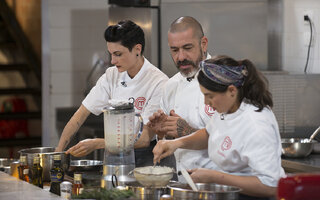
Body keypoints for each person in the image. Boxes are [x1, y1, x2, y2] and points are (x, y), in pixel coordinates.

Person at [153, 55, 285, 198]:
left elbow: (271, 186)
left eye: (210, 96)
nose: (206, 102)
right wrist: (176, 143)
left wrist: (214, 177)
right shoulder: (228, 108)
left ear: (232, 91)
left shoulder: (256, 124)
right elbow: (210, 133)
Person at [55, 20, 169, 166]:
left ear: (137, 49)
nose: (113, 61)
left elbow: (144, 139)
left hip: (144, 159)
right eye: (111, 54)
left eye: (118, 54)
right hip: (112, 157)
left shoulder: (158, 82)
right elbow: (81, 114)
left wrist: (98, 143)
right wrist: (58, 153)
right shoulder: (111, 75)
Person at [147, 16, 216, 181]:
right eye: (174, 50)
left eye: (187, 48)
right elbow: (169, 141)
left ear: (203, 44)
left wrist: (185, 131)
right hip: (184, 183)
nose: (181, 57)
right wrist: (164, 133)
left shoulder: (221, 79)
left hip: (219, 184)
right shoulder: (171, 86)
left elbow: (229, 141)